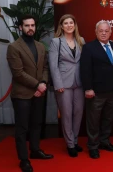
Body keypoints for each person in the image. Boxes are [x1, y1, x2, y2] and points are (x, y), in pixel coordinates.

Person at [7, 15, 53, 172]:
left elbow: (45, 68)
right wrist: (38, 85)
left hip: (39, 92)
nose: (30, 28)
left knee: (36, 124)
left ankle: (35, 150)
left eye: (32, 25)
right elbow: (18, 73)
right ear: (21, 27)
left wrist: (44, 83)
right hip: (22, 95)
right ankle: (23, 159)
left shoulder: (40, 46)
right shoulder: (14, 47)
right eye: (27, 25)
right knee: (22, 127)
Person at [80, 20, 113, 159]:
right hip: (95, 92)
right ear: (96, 32)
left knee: (108, 119)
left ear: (110, 32)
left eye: (106, 31)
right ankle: (93, 146)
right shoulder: (89, 48)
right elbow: (85, 70)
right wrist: (88, 88)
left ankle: (104, 141)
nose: (103, 33)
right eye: (101, 31)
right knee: (93, 120)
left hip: (112, 91)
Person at [49, 14, 85, 157]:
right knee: (66, 115)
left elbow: (85, 62)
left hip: (79, 83)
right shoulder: (56, 42)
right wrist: (58, 84)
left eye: (71, 22)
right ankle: (70, 144)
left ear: (75, 25)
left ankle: (75, 141)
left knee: (78, 113)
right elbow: (53, 65)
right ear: (61, 26)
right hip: (63, 83)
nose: (69, 25)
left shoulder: (81, 40)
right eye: (66, 23)